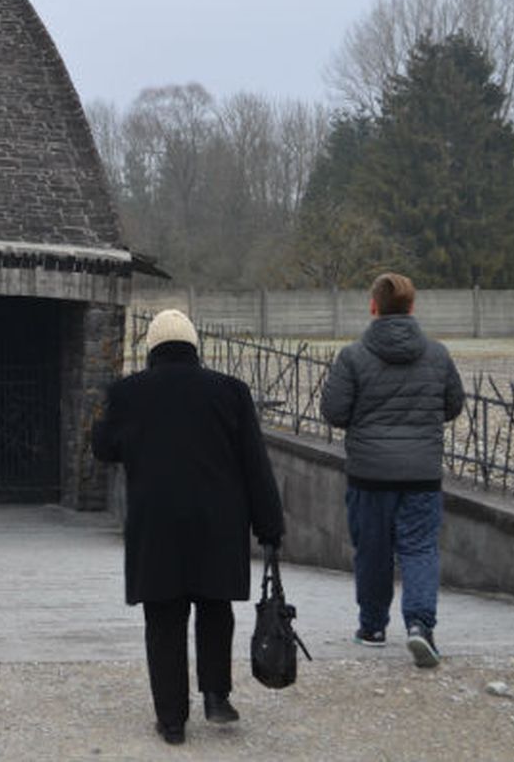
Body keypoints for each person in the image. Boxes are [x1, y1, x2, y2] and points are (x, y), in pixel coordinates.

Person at [92, 309, 284, 746]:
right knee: (215, 607)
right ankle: (216, 695)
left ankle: (172, 719)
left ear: (152, 348)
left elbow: (104, 448)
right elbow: (254, 463)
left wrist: (109, 414)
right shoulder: (230, 391)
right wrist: (269, 526)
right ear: (194, 346)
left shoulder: (128, 393)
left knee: (163, 618)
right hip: (218, 521)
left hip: (156, 523)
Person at [321, 272, 464, 669]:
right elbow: (452, 405)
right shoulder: (437, 355)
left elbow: (334, 412)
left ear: (373, 307)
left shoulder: (353, 356)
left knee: (372, 551)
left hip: (369, 474)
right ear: (412, 307)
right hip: (421, 473)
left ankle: (372, 627)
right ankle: (420, 625)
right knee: (420, 549)